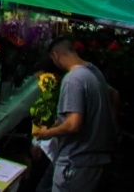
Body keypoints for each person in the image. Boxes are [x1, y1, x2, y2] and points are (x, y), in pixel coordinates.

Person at [34, 37, 118, 192]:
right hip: (96, 160)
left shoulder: (73, 79)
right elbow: (114, 95)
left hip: (76, 163)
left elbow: (73, 125)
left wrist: (48, 133)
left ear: (55, 56)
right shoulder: (94, 71)